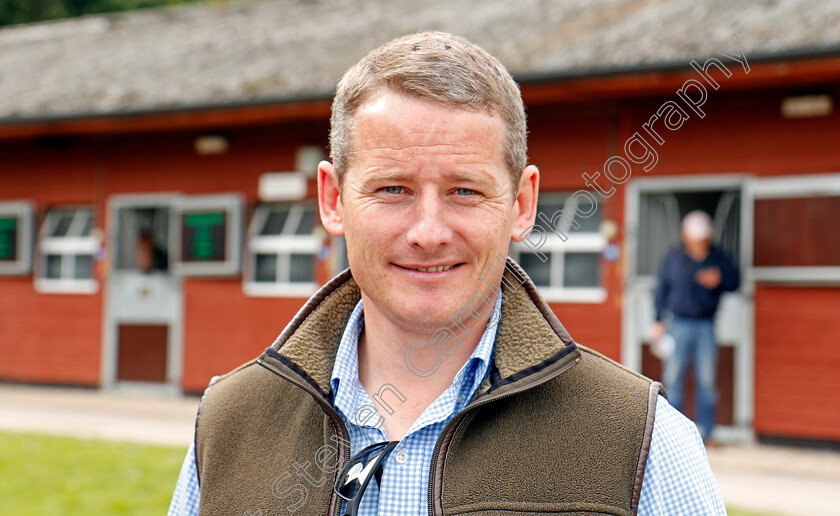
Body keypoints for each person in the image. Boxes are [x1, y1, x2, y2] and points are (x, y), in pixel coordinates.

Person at [169, 32, 725, 516]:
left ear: (522, 203)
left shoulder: (642, 444)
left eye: (465, 190)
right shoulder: (227, 426)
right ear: (332, 199)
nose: (428, 231)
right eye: (393, 190)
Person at [651, 210, 740, 444]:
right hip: (678, 324)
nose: (701, 242)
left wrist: (719, 278)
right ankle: (673, 436)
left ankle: (707, 434)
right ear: (685, 236)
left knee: (707, 382)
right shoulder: (673, 258)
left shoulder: (718, 257)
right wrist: (658, 320)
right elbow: (661, 290)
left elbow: (736, 279)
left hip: (706, 325)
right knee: (673, 381)